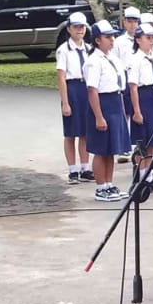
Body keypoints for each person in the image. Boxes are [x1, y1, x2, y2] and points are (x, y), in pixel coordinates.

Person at [84, 21, 132, 202]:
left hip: (115, 101)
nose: (111, 40)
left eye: (112, 36)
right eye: (107, 37)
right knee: (100, 148)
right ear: (97, 40)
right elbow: (92, 90)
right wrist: (98, 116)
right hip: (102, 104)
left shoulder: (112, 58)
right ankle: (100, 187)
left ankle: (109, 184)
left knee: (112, 148)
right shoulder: (93, 62)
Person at [126, 22, 153, 193]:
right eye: (148, 37)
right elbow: (133, 87)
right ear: (138, 39)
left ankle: (149, 176)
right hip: (142, 98)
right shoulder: (135, 59)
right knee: (142, 142)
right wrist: (136, 111)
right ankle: (139, 177)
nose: (152, 41)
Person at [55, 12, 92, 184]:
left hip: (86, 88)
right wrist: (65, 102)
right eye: (76, 27)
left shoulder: (89, 49)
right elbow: (61, 77)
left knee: (85, 131)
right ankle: (72, 169)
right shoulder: (64, 50)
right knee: (71, 133)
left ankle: (85, 167)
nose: (80, 30)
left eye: (82, 27)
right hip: (72, 88)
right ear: (69, 29)